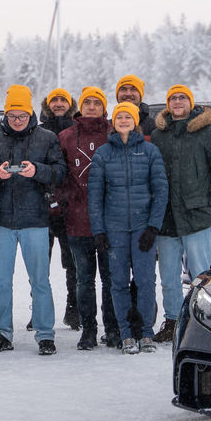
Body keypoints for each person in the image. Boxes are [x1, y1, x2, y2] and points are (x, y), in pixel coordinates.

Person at [0, 85, 67, 355]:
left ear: (31, 113)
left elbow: (60, 172)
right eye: (12, 116)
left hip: (35, 219)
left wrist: (37, 170)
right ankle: (2, 333)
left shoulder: (47, 138)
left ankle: (45, 335)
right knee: (0, 281)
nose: (17, 121)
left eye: (23, 116)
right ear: (5, 114)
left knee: (40, 280)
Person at [149, 84, 211, 343]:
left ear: (190, 102)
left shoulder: (207, 133)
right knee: (169, 277)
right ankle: (173, 321)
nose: (177, 102)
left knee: (201, 276)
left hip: (197, 216)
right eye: (172, 98)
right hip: (167, 218)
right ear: (167, 104)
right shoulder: (159, 135)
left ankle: (201, 323)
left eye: (182, 98)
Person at [87, 101, 168, 354]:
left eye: (128, 117)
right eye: (119, 117)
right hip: (115, 229)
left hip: (143, 228)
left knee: (145, 281)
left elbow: (161, 190)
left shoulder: (150, 151)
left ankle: (145, 332)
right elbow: (95, 195)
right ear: (114, 122)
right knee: (118, 282)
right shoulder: (102, 153)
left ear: (135, 121)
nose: (123, 120)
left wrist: (153, 227)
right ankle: (125, 333)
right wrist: (99, 230)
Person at [56, 86, 114, 350]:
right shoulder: (66, 136)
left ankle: (112, 329)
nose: (92, 107)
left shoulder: (114, 133)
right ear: (80, 106)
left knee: (112, 280)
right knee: (84, 280)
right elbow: (61, 177)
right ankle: (88, 329)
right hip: (77, 221)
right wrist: (64, 205)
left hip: (110, 222)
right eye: (87, 102)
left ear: (104, 107)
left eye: (97, 103)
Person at [40, 87, 80, 331]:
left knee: (72, 262)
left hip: (71, 205)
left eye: (62, 99)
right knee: (40, 263)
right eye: (53, 100)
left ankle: (73, 308)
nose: (58, 103)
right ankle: (40, 310)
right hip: (42, 203)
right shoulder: (39, 130)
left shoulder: (76, 130)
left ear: (70, 104)